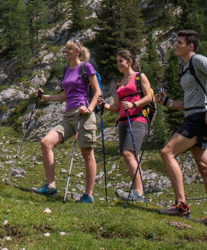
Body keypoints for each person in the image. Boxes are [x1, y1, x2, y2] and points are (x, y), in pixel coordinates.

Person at [155, 29, 207, 228]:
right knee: (205, 168)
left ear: (191, 45)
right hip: (195, 115)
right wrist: (169, 103)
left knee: (167, 152)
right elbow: (190, 101)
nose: (176, 46)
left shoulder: (199, 60)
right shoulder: (186, 67)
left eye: (179, 42)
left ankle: (181, 205)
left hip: (198, 118)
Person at [31, 40, 101, 203]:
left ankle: (88, 195)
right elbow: (66, 96)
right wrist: (46, 98)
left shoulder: (86, 67)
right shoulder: (66, 70)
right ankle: (51, 186)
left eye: (69, 48)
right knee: (46, 142)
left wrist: (89, 109)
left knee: (87, 152)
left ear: (78, 52)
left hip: (84, 114)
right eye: (65, 48)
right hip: (69, 115)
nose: (66, 51)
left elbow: (97, 91)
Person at [104, 49, 154, 202]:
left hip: (138, 119)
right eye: (117, 61)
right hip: (124, 122)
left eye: (121, 61)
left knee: (128, 154)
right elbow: (117, 107)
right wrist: (104, 105)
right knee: (131, 155)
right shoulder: (120, 82)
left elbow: (149, 97)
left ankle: (138, 192)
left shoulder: (140, 77)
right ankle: (138, 192)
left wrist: (134, 104)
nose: (118, 64)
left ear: (129, 62)